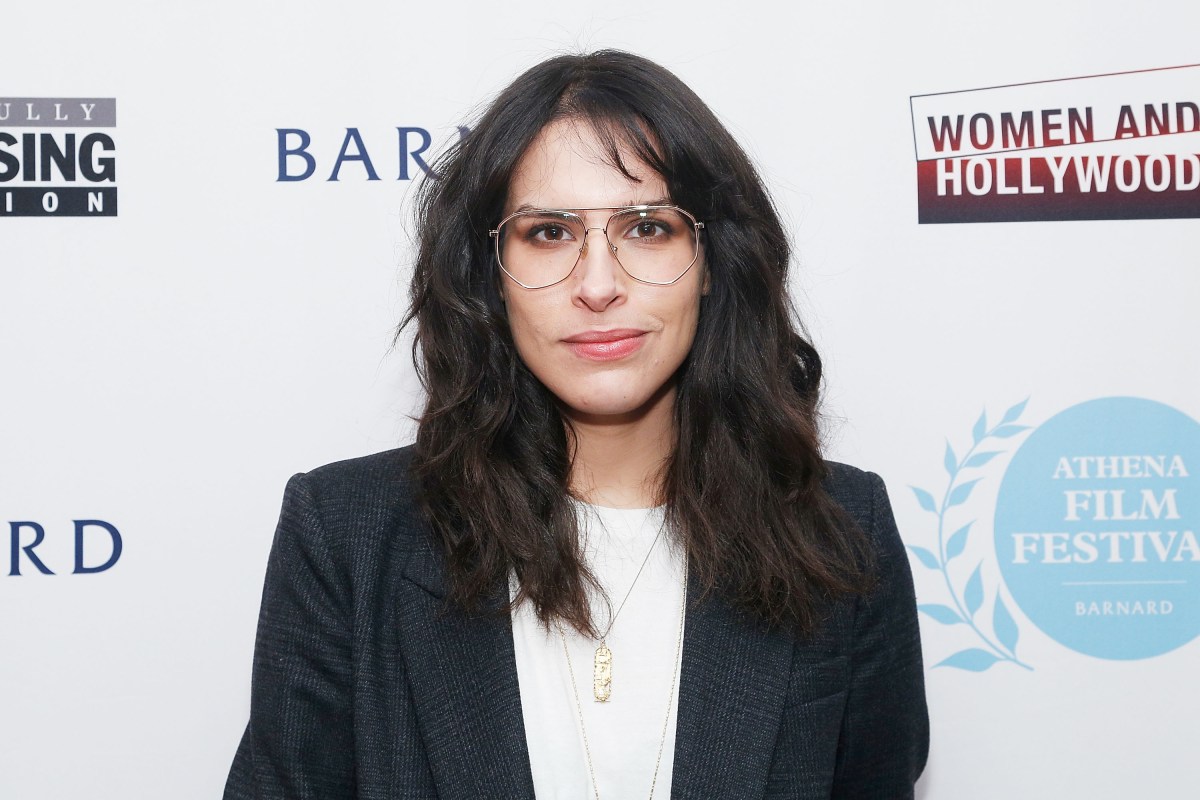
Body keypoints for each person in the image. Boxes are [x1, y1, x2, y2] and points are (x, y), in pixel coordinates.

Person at [224, 50, 928, 800]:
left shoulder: (843, 533)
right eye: (550, 233)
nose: (598, 285)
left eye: (648, 228)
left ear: (713, 260)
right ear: (489, 272)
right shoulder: (345, 535)